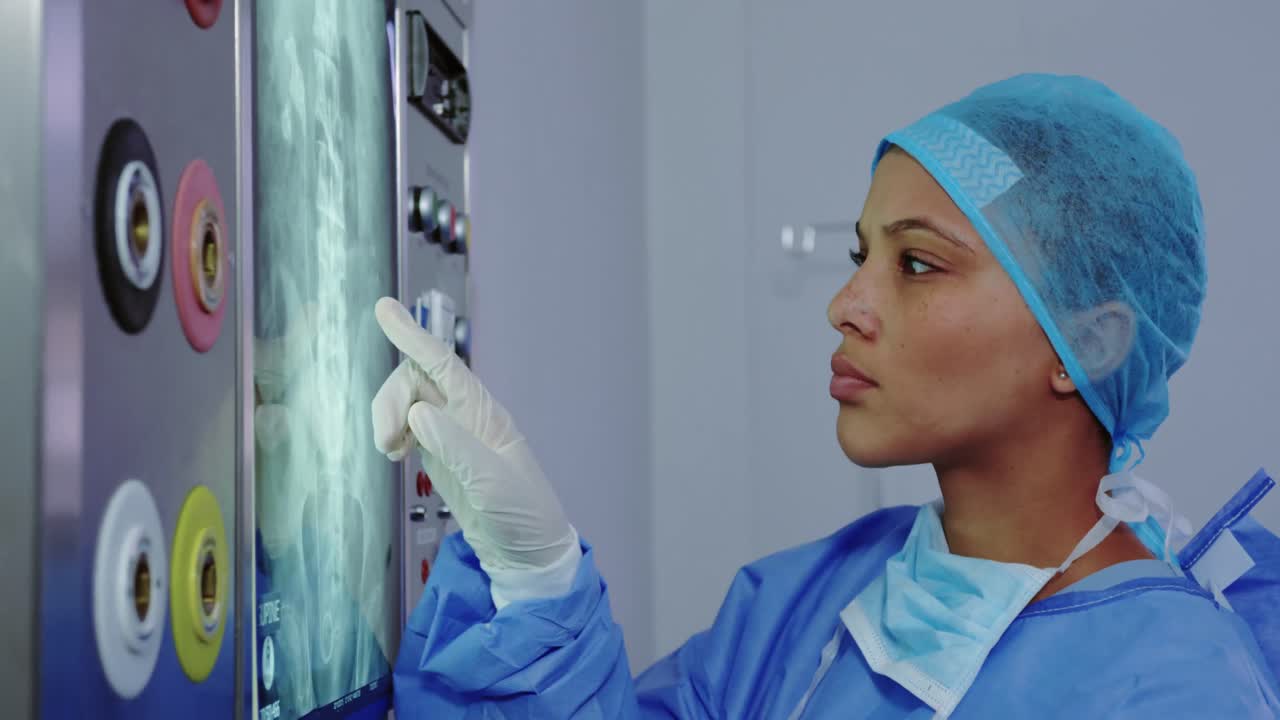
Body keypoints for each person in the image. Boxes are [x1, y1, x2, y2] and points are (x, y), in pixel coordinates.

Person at [371, 74, 1280, 718]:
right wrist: (535, 577)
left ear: (1089, 341)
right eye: (861, 255)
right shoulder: (808, 600)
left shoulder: (1178, 686)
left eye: (916, 263)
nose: (846, 304)